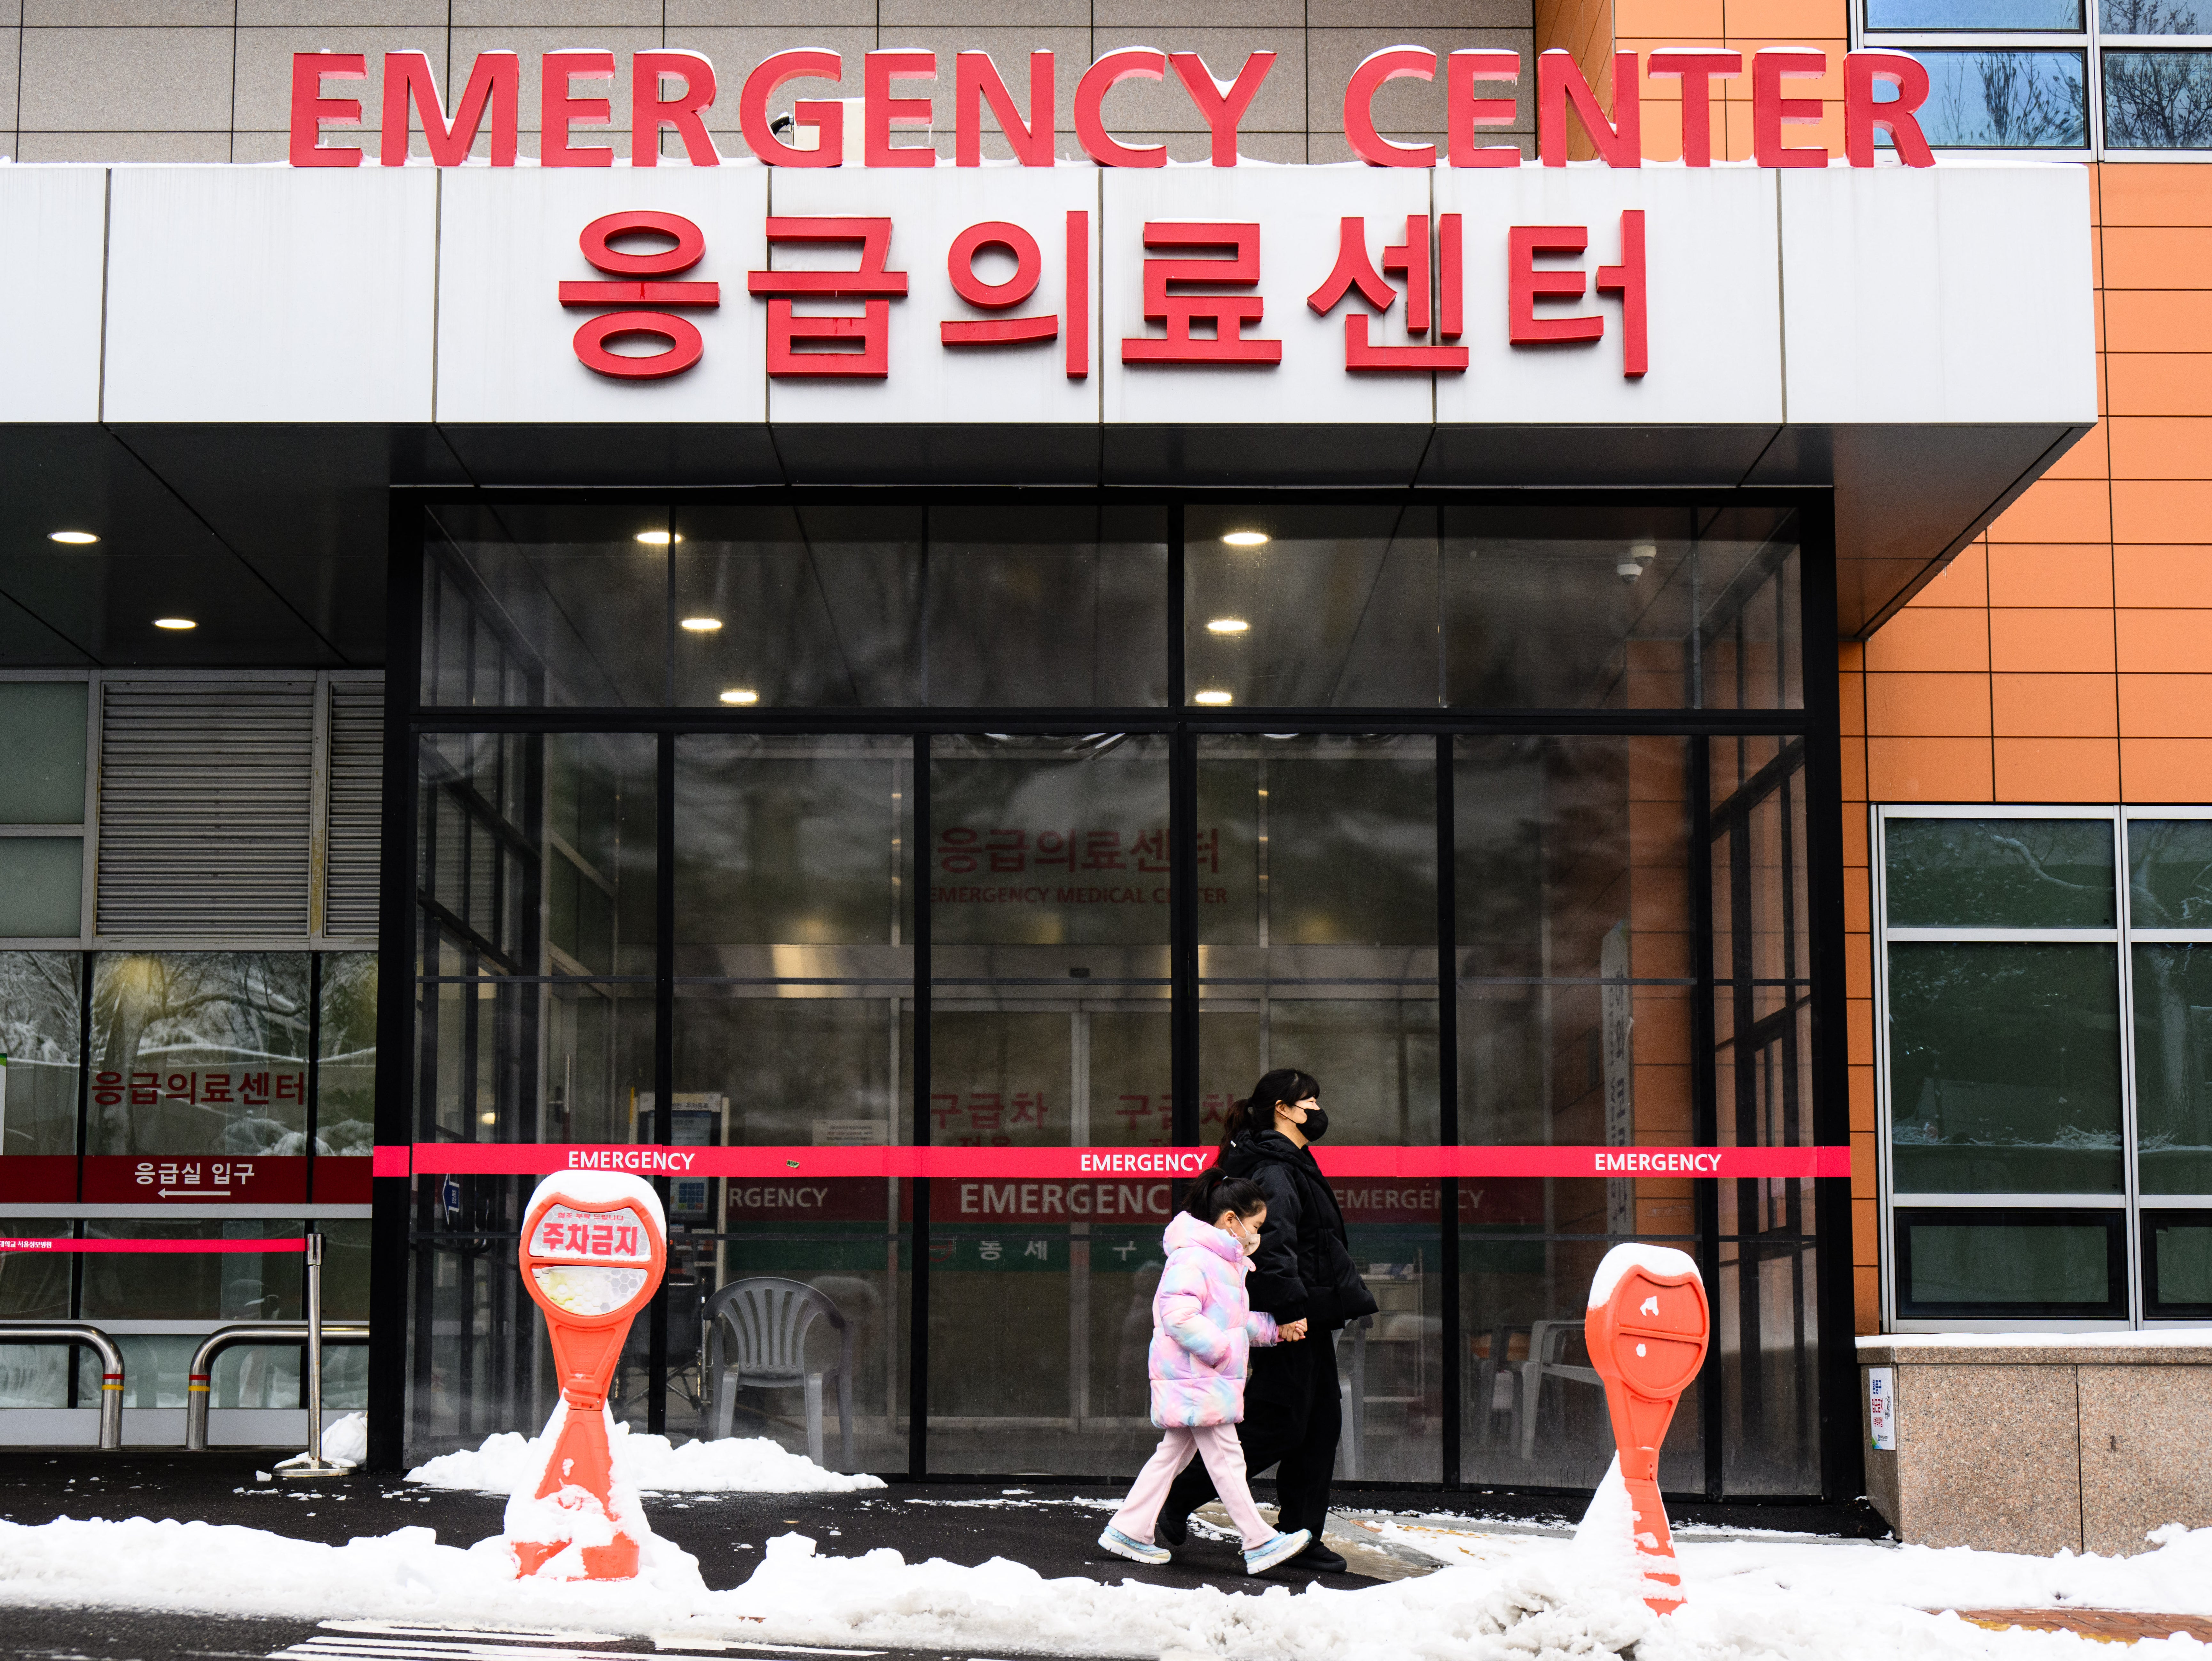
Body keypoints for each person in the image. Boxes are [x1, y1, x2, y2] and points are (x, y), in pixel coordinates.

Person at [1153, 1068, 1377, 1575]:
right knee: (1281, 1422)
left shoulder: (1290, 1161)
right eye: (1310, 1102)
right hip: (1287, 1314)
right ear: (1283, 1108)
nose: (1318, 1111)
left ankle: (1301, 1533)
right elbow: (1272, 1248)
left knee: (1319, 1425)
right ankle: (1176, 1496)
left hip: (1308, 1310)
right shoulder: (1274, 1168)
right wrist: (1291, 1311)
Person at [1096, 1170, 1314, 1577]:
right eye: (1255, 1226)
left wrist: (1274, 1329)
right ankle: (1259, 1541)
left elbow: (1226, 1320)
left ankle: (1128, 1529)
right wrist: (1222, 1350)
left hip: (1197, 1377)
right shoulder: (1195, 1257)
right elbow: (1178, 1317)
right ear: (1232, 1220)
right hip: (1199, 1377)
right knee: (1227, 1458)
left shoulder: (1214, 1259)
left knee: (1173, 1456)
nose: (1258, 1235)